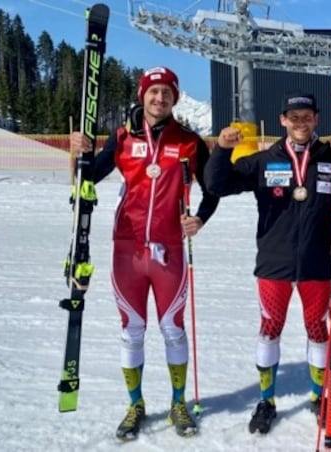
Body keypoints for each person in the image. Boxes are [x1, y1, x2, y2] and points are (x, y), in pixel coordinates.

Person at [70, 66, 219, 440]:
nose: (159, 98)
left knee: (173, 328)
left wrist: (199, 217)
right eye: (153, 92)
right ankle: (135, 405)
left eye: (167, 92)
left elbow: (213, 187)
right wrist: (80, 155)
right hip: (127, 248)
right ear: (143, 96)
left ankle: (178, 403)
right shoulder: (121, 138)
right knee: (132, 330)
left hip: (170, 248)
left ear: (175, 98)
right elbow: (88, 178)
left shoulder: (188, 141)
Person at [205, 92, 331, 435]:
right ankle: (267, 401)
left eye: (306, 116)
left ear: (316, 119)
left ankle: (318, 397)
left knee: (317, 330)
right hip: (274, 264)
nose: (300, 123)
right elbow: (216, 184)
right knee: (269, 328)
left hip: (318, 264)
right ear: (282, 120)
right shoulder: (264, 160)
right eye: (293, 117)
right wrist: (221, 149)